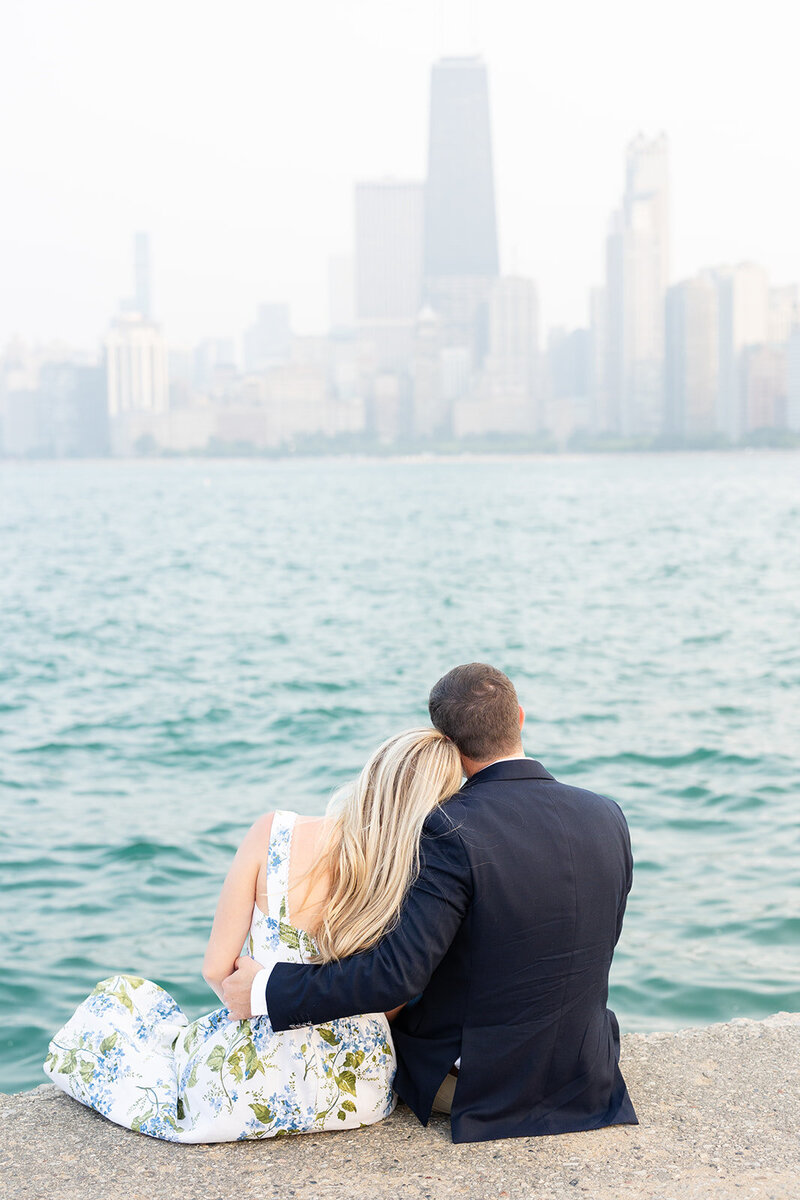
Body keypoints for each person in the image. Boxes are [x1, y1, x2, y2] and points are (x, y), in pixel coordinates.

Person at [224, 663, 638, 1144]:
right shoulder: (607, 814)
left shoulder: (448, 828)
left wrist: (265, 990)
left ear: (444, 742)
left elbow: (396, 976)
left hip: (484, 1090)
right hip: (587, 1075)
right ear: (519, 719)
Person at [43, 727, 463, 1142]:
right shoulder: (418, 876)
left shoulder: (274, 833)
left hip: (250, 1079)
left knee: (123, 1001)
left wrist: (257, 994)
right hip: (358, 1090)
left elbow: (216, 969)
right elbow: (391, 998)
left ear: (374, 772)